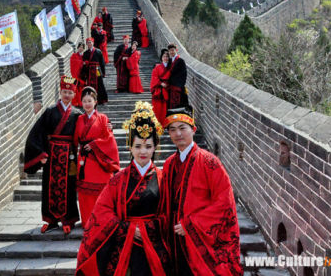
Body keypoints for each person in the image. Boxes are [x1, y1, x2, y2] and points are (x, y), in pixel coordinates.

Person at [76, 102, 172, 276]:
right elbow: (102, 211)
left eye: (148, 147)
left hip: (155, 244)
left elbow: (169, 213)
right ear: (129, 147)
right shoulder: (118, 180)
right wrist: (127, 229)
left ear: (155, 147)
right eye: (138, 146)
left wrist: (146, 230)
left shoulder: (163, 178)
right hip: (124, 245)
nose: (143, 152)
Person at [159, 107, 243, 276]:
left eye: (182, 128)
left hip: (199, 239)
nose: (178, 134)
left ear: (193, 129)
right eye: (172, 129)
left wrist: (190, 225)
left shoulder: (209, 162)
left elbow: (224, 203)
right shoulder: (169, 164)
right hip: (175, 238)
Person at [23, 76, 82, 235]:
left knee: (68, 187)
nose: (67, 95)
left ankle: (67, 220)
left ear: (74, 94)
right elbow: (37, 132)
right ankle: (51, 220)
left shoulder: (77, 114)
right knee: (50, 186)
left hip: (69, 157)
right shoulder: (50, 111)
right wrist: (40, 153)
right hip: (52, 155)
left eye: (70, 92)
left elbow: (84, 133)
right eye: (64, 91)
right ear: (60, 92)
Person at [74, 86, 120, 228]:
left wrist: (94, 144)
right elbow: (75, 138)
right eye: (84, 101)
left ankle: (103, 219)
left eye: (90, 100)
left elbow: (109, 138)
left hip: (99, 161)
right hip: (84, 161)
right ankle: (87, 220)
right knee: (84, 193)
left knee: (102, 191)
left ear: (95, 102)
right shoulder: (79, 119)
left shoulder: (103, 118)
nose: (87, 104)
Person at [81, 38, 108, 104]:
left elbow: (102, 63)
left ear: (93, 43)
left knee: (100, 84)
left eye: (90, 42)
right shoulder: (85, 53)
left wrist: (103, 72)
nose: (89, 44)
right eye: (88, 43)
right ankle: (91, 100)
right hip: (89, 71)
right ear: (87, 44)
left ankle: (101, 100)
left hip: (97, 70)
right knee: (90, 85)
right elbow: (84, 64)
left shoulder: (98, 51)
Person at [150, 49, 171, 126]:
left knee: (165, 108)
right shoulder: (157, 67)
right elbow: (154, 77)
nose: (165, 58)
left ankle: (165, 123)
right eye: (164, 56)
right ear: (161, 58)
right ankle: (157, 124)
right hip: (158, 90)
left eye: (167, 57)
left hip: (167, 89)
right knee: (157, 108)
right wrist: (160, 83)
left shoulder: (170, 68)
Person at [167, 44, 188, 108]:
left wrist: (180, 85)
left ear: (176, 50)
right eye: (170, 51)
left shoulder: (181, 61)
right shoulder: (169, 61)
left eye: (173, 50)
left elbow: (184, 74)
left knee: (178, 104)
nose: (171, 52)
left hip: (178, 87)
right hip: (170, 86)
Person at [70, 42, 85, 107]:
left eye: (82, 47)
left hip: (83, 74)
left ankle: (82, 102)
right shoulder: (74, 55)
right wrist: (81, 63)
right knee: (76, 88)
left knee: (82, 88)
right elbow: (73, 63)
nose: (80, 49)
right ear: (77, 48)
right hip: (76, 74)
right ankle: (76, 102)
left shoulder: (84, 56)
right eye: (80, 47)